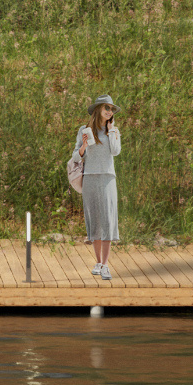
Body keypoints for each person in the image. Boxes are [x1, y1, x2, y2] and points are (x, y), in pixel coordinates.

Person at [69, 96, 121, 280]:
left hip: (107, 178)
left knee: (107, 220)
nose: (110, 111)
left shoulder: (113, 131)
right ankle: (98, 262)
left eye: (112, 109)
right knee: (95, 221)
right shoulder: (84, 130)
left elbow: (115, 151)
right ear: (99, 109)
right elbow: (76, 156)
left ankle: (106, 265)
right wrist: (83, 145)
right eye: (107, 108)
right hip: (89, 178)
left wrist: (111, 131)